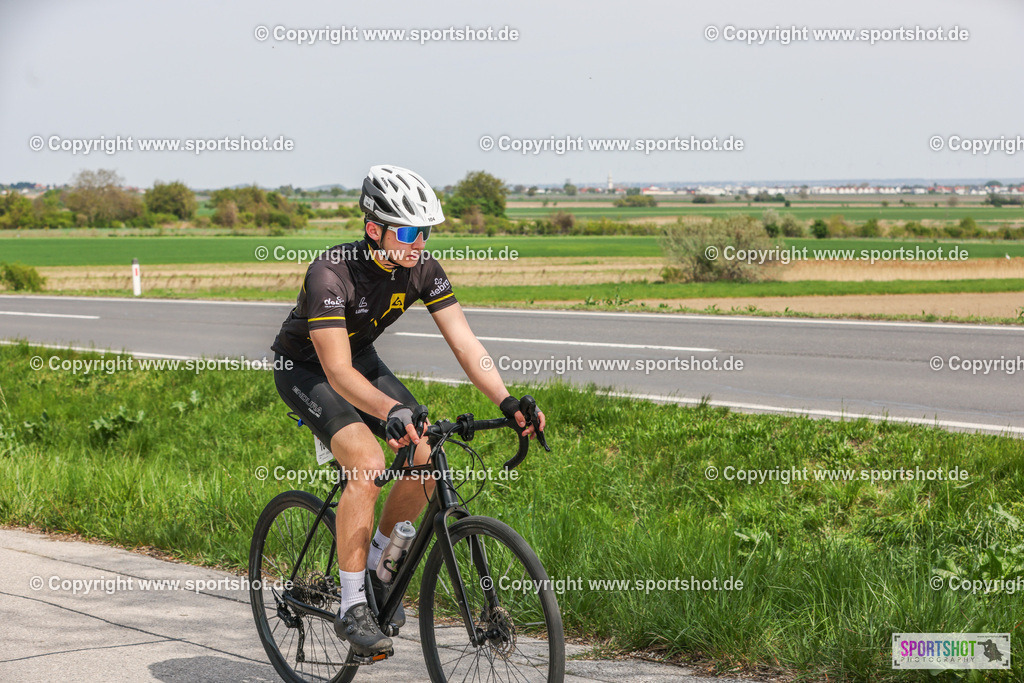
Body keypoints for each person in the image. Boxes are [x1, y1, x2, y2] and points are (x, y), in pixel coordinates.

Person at [270, 164, 545, 657]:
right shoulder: (329, 274)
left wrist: (505, 400)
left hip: (361, 361)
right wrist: (391, 409)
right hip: (308, 368)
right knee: (369, 463)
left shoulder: (422, 269)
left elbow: (464, 343)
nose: (420, 242)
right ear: (374, 229)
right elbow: (336, 372)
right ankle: (353, 606)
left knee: (426, 450)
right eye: (410, 231)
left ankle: (377, 569)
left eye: (427, 231)